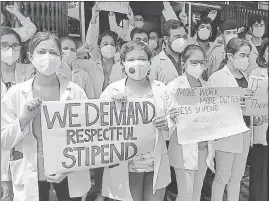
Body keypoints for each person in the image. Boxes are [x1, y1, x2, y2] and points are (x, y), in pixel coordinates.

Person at [1, 31, 92, 201]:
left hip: (69, 170)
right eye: (42, 52)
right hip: (31, 172)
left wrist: (68, 168)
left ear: (60, 57)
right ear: (30, 56)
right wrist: (24, 119)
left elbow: (88, 137)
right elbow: (3, 140)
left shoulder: (75, 92)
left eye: (53, 52)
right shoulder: (15, 94)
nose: (48, 57)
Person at [100, 41, 176, 201]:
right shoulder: (112, 91)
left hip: (155, 162)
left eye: (142, 58)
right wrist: (114, 109)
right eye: (131, 59)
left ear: (150, 62)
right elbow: (100, 125)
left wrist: (167, 122)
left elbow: (174, 117)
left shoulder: (161, 89)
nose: (137, 63)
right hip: (127, 164)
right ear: (123, 64)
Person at [166, 45, 215, 201]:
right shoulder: (174, 87)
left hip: (203, 148)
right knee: (185, 194)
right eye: (194, 62)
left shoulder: (207, 87)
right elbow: (164, 119)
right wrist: (171, 117)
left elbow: (214, 115)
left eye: (202, 62)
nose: (198, 66)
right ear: (183, 63)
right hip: (183, 150)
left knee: (196, 192)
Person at [208, 38, 253, 201]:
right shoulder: (217, 77)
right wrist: (235, 102)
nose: (246, 59)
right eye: (242, 55)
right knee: (222, 177)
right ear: (230, 56)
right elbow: (210, 106)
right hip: (226, 133)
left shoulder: (246, 76)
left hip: (245, 131)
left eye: (247, 55)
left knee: (237, 177)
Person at [1, 26, 35, 201]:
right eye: (4, 44)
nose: (10, 49)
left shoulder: (31, 71)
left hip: (25, 140)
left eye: (15, 45)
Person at [248, 38, 268, 201]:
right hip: (261, 128)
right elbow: (251, 102)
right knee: (259, 167)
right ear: (263, 55)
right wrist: (255, 115)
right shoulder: (255, 75)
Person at [150, 19, 193, 85]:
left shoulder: (189, 59)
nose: (182, 40)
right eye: (177, 37)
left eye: (184, 37)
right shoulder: (155, 62)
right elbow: (152, 89)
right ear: (166, 39)